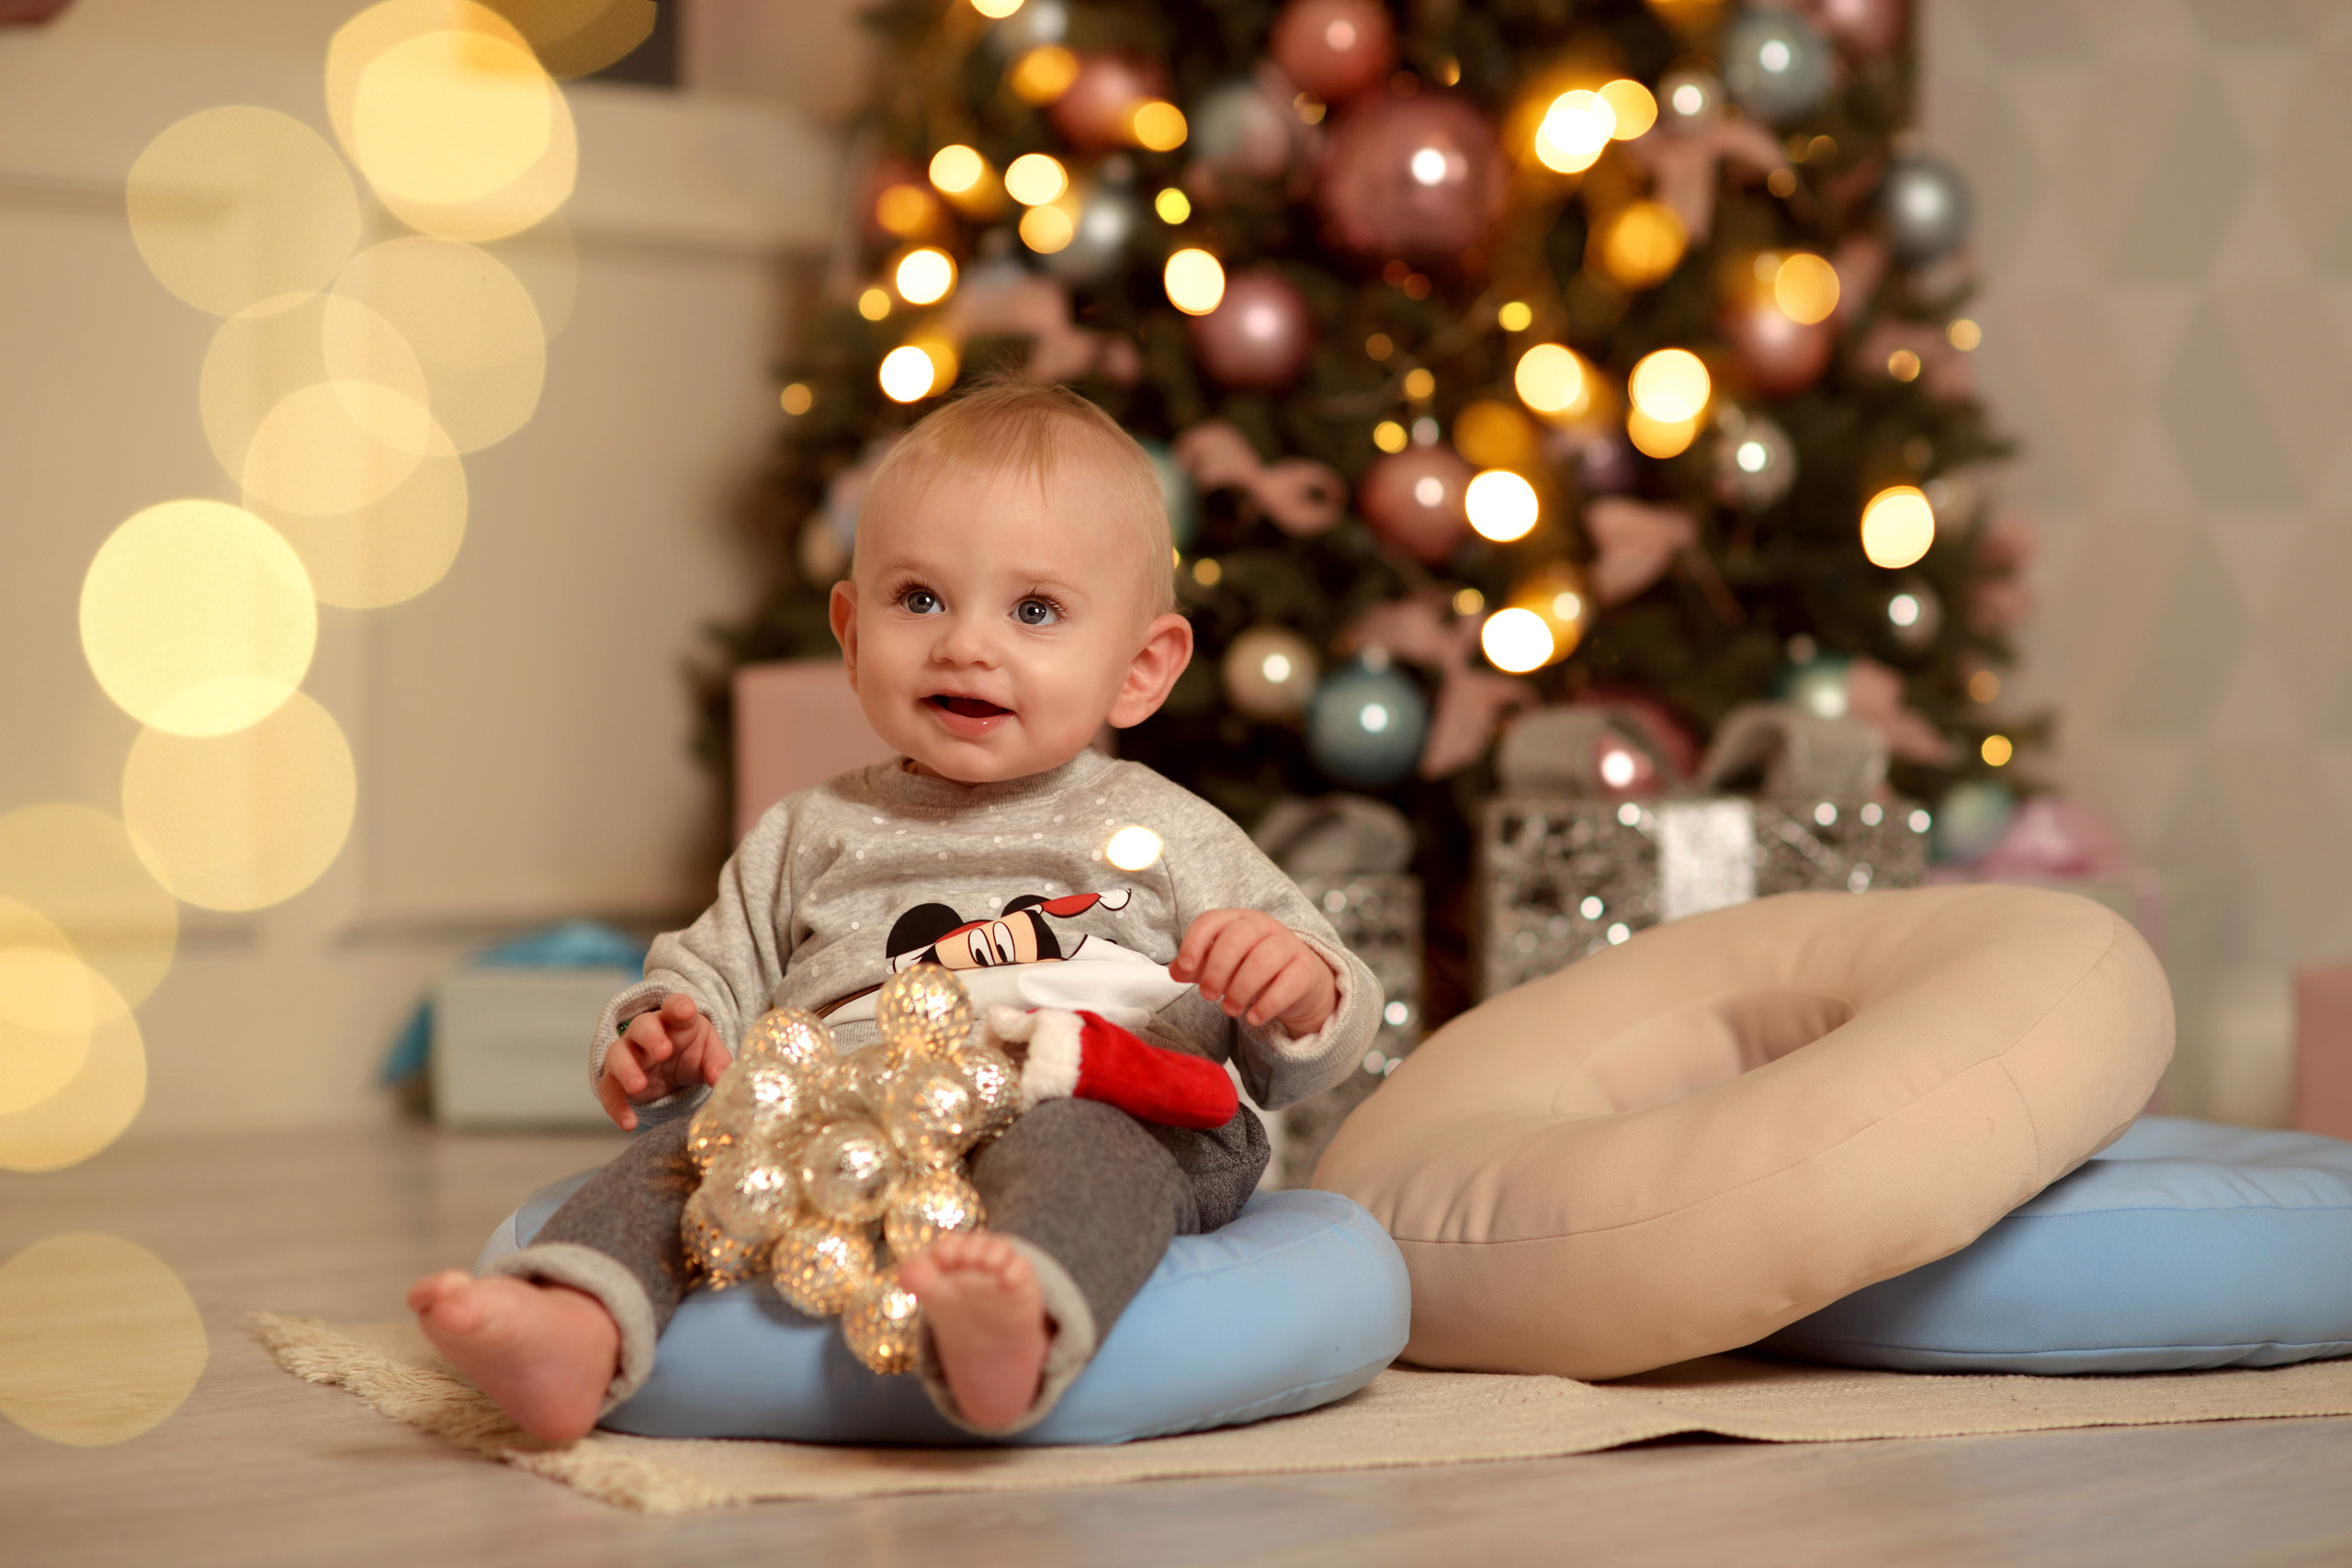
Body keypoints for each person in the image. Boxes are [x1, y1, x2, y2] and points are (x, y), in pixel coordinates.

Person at [408, 380, 1384, 1443]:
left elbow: (1310, 1045)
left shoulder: (1169, 828)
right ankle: (576, 1328)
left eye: (1035, 611)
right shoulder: (810, 830)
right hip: (844, 1118)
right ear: (849, 629)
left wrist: (1293, 981)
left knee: (1085, 1156)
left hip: (1104, 1094)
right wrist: (666, 1032)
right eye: (919, 599)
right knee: (682, 1161)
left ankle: (1013, 1318)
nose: (966, 645)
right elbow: (708, 980)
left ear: (1140, 670)